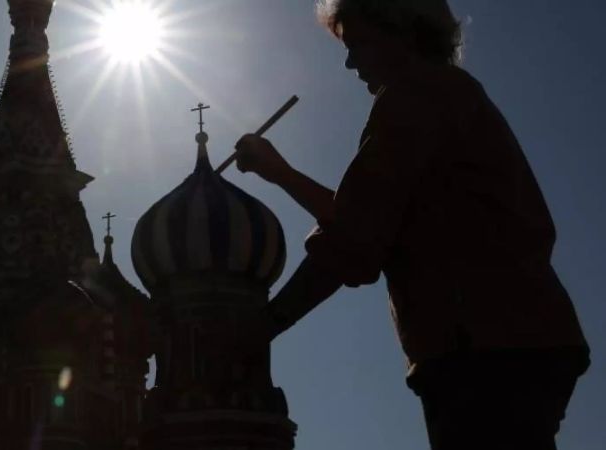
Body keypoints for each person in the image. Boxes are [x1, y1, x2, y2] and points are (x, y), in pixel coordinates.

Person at [232, 1, 590, 449]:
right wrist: (280, 173)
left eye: (358, 44)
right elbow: (368, 220)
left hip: (480, 348)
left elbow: (357, 242)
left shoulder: (412, 98)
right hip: (521, 339)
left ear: (400, 31)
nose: (350, 61)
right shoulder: (451, 93)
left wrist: (263, 326)